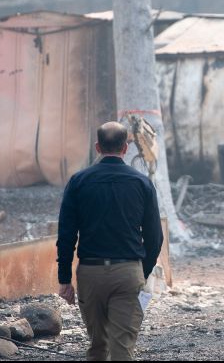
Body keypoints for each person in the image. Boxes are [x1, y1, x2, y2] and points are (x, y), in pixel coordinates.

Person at [57, 121, 163, 361]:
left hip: (90, 274)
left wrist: (64, 279)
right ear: (126, 148)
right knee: (122, 348)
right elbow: (155, 238)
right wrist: (140, 271)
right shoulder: (142, 183)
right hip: (127, 273)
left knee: (97, 346)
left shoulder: (78, 182)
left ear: (97, 147)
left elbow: (66, 235)